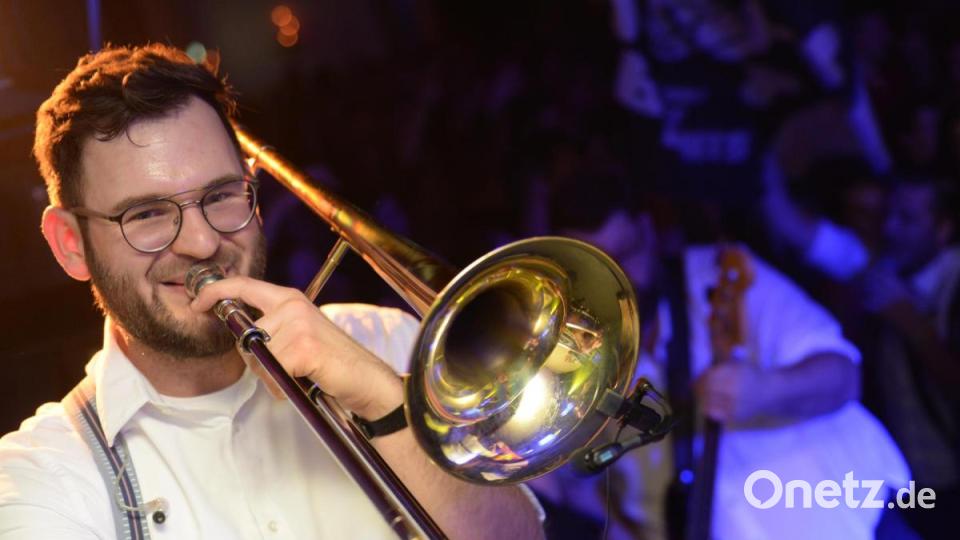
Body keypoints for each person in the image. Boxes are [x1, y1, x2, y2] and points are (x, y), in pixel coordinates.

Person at [0, 43, 544, 539]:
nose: (201, 241)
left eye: (220, 195)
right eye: (145, 214)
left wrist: (382, 403)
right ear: (70, 244)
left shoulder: (388, 341)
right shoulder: (43, 474)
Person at [533, 182, 908, 539]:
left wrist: (766, 390)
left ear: (648, 231)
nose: (618, 282)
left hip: (857, 519)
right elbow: (592, 501)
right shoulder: (567, 362)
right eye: (595, 269)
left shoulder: (722, 273)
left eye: (625, 256)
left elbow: (843, 377)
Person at [854, 173, 960, 539]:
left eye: (907, 219)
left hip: (950, 483)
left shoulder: (954, 284)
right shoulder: (885, 274)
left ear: (943, 229)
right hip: (902, 478)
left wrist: (909, 321)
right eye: (888, 215)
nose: (890, 228)